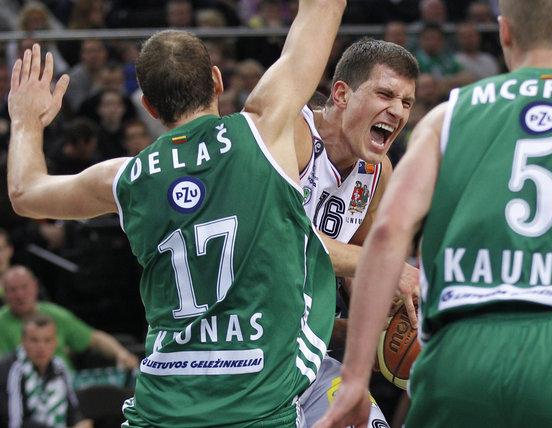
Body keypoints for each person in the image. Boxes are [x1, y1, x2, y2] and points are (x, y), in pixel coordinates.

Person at [317, 0, 552, 426]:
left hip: (464, 349)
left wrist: (354, 377)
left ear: (504, 33)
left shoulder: (447, 118)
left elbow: (387, 236)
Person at [7, 0, 344, 424]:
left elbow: (25, 193)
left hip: (163, 406)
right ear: (217, 80)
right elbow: (324, 7)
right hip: (257, 406)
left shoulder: (126, 177)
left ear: (149, 106)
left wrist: (25, 121)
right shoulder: (262, 130)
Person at [294, 38, 419, 426]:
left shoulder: (377, 171)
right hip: (246, 348)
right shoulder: (293, 136)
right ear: (341, 94)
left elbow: (355, 270)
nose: (397, 110)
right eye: (385, 94)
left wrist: (384, 326)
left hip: (308, 355)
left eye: (407, 102)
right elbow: (279, 242)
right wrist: (387, 266)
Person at [0, 265, 139, 371]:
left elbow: (94, 338)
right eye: (13, 290)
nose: (20, 295)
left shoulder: (55, 314)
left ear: (35, 286)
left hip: (67, 384)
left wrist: (121, 354)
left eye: (24, 287)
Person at [0, 314, 92, 428]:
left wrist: (80, 422)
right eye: (34, 340)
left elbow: (72, 409)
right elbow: (14, 422)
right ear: (23, 341)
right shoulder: (12, 370)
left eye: (47, 340)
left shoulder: (59, 367)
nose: (41, 347)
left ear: (55, 342)